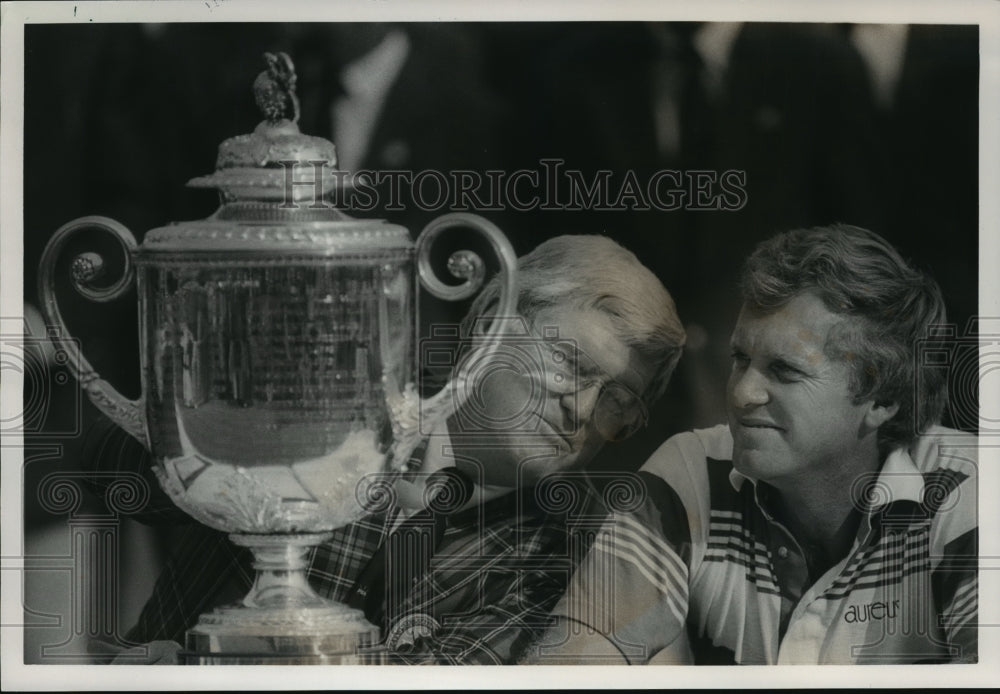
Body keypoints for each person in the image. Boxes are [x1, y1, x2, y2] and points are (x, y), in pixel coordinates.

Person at [100, 234, 685, 664]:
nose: (581, 410)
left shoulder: (566, 557)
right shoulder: (334, 418)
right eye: (569, 363)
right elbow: (132, 492)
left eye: (617, 399)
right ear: (490, 324)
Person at [528, 224, 977, 664]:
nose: (742, 394)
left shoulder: (972, 493)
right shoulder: (689, 472)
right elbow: (572, 666)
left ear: (883, 400)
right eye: (740, 359)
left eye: (784, 371)